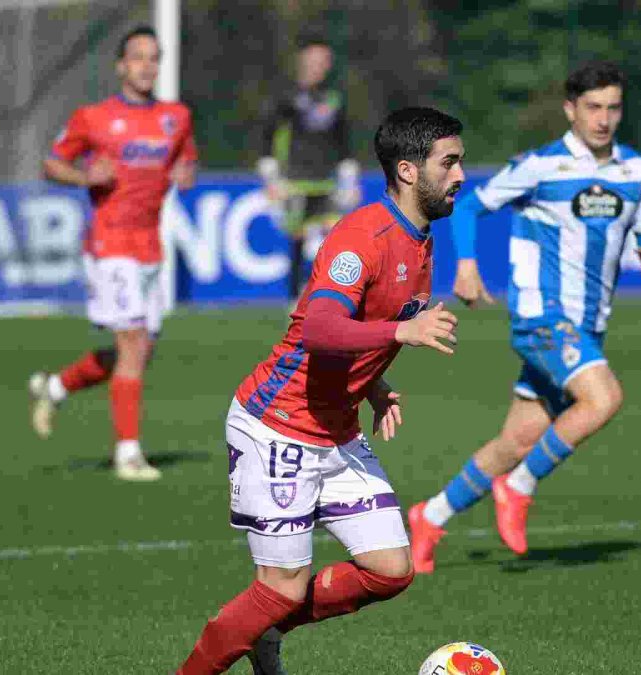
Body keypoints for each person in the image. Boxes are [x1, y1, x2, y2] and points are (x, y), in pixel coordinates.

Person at [177, 107, 465, 675]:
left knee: (390, 569)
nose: (460, 175)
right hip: (278, 425)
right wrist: (401, 333)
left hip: (336, 429)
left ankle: (263, 630)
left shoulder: (420, 239)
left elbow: (364, 326)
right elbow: (319, 328)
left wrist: (373, 384)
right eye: (449, 163)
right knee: (281, 586)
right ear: (408, 171)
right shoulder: (361, 237)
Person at [407, 61, 641, 574]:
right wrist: (465, 265)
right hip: (542, 316)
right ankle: (520, 486)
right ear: (570, 110)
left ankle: (429, 517)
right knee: (603, 398)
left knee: (519, 440)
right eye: (593, 107)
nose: (603, 119)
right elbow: (467, 207)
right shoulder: (541, 166)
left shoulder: (638, 171)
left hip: (588, 325)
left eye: (613, 108)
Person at [28, 25, 196, 481]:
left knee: (137, 353)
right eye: (138, 56)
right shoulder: (93, 117)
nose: (147, 65)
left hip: (150, 246)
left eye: (153, 57)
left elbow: (186, 160)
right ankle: (128, 455)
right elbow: (51, 163)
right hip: (110, 243)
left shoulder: (176, 117)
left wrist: (186, 174)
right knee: (133, 343)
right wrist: (85, 178)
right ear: (121, 66)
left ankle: (56, 387)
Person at [256, 35, 361, 301]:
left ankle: (330, 301)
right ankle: (296, 304)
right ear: (302, 60)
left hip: (327, 183)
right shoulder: (286, 97)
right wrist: (271, 179)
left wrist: (350, 180)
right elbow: (268, 138)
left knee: (332, 243)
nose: (319, 66)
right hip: (294, 183)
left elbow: (344, 143)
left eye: (324, 60)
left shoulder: (334, 99)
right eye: (314, 59)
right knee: (299, 242)